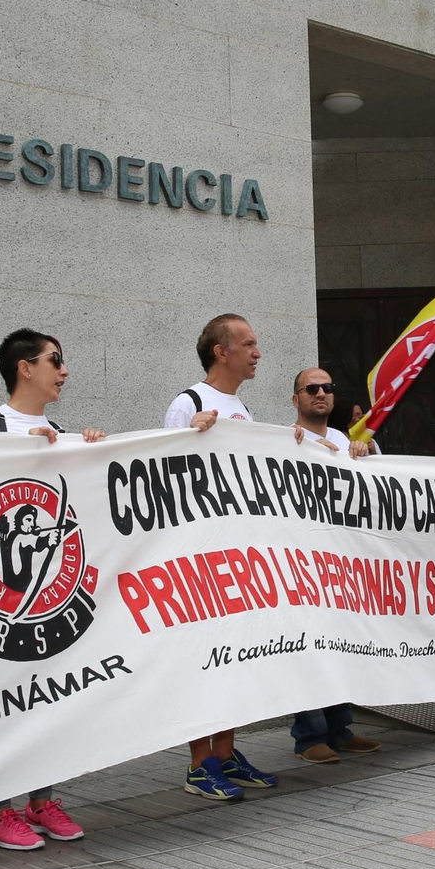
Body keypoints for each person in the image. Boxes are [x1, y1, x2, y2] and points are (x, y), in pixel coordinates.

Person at [0, 327, 105, 848]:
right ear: (24, 367)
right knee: (6, 699)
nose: (64, 370)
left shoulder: (59, 429)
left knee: (46, 702)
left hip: (51, 593)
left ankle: (41, 802)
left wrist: (87, 454)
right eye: (55, 360)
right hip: (1, 595)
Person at [163, 314, 280, 800]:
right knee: (206, 659)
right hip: (203, 559)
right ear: (220, 351)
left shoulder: (241, 410)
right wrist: (187, 434)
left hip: (242, 556)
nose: (257, 352)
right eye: (248, 344)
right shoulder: (188, 403)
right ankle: (198, 763)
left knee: (238, 660)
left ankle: (226, 753)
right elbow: (164, 472)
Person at [289, 368, 385, 761]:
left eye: (328, 387)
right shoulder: (285, 440)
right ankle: (309, 738)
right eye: (311, 388)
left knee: (341, 647)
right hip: (303, 561)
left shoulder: (344, 440)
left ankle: (340, 730)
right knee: (310, 649)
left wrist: (364, 452)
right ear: (295, 399)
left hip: (342, 563)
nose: (321, 393)